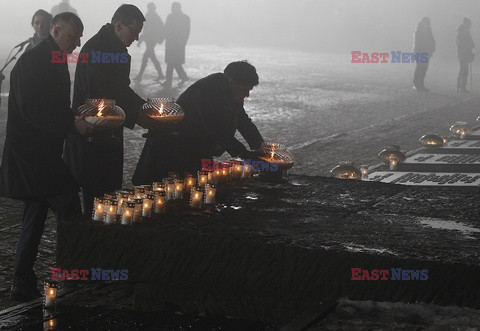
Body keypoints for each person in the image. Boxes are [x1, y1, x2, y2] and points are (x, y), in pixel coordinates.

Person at [0, 12, 91, 301]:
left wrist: (73, 117)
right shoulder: (32, 61)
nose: (77, 44)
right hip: (32, 156)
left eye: (78, 38)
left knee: (35, 214)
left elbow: (53, 104)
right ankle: (70, 276)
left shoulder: (53, 57)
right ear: (55, 30)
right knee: (69, 208)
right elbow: (32, 109)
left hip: (40, 154)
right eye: (73, 37)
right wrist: (70, 123)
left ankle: (21, 280)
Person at [64, 4, 156, 217]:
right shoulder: (97, 50)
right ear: (119, 25)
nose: (136, 38)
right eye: (134, 31)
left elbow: (121, 90)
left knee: (105, 198)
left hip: (107, 134)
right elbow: (105, 97)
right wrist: (139, 114)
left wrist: (145, 107)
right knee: (95, 202)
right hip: (92, 136)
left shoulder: (115, 49)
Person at [133, 61, 265, 185]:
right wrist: (244, 154)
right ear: (231, 81)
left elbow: (243, 121)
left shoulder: (231, 92)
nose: (247, 94)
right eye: (244, 89)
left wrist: (261, 147)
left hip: (196, 147)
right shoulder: (209, 91)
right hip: (175, 148)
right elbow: (215, 128)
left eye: (249, 90)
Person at [134, 2, 165, 82]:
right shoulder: (148, 16)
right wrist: (140, 41)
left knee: (145, 58)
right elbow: (145, 30)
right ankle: (160, 74)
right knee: (152, 58)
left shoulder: (155, 17)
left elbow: (161, 28)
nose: (149, 9)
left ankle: (140, 76)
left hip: (152, 40)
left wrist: (158, 38)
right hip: (149, 40)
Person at [163, 2, 190, 89]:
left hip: (174, 43)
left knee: (171, 63)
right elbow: (186, 32)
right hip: (177, 44)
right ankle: (182, 76)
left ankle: (169, 81)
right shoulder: (185, 18)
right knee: (174, 62)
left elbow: (166, 29)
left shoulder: (171, 17)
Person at [413, 17, 435, 92]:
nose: (428, 24)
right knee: (419, 67)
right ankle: (416, 84)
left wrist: (432, 48)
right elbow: (418, 41)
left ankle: (421, 84)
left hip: (426, 51)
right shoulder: (418, 30)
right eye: (427, 23)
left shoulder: (428, 30)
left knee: (424, 68)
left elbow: (432, 39)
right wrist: (428, 45)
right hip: (419, 51)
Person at [456, 17, 475, 92]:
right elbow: (460, 43)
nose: (470, 26)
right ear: (466, 24)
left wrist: (472, 45)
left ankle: (459, 85)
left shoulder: (465, 32)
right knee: (464, 70)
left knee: (463, 69)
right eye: (469, 25)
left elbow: (470, 42)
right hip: (462, 53)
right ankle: (461, 86)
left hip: (465, 53)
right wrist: (469, 46)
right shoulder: (462, 32)